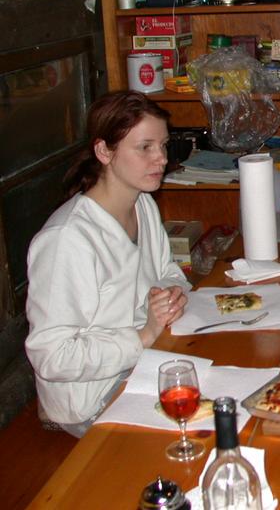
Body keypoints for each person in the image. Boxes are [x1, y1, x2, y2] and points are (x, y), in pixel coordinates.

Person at [25, 91, 190, 437]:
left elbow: (166, 271)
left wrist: (172, 294)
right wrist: (142, 335)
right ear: (104, 152)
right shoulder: (67, 240)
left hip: (141, 362)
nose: (160, 158)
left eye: (163, 145)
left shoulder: (143, 204)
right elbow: (51, 356)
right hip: (91, 397)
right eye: (145, 147)